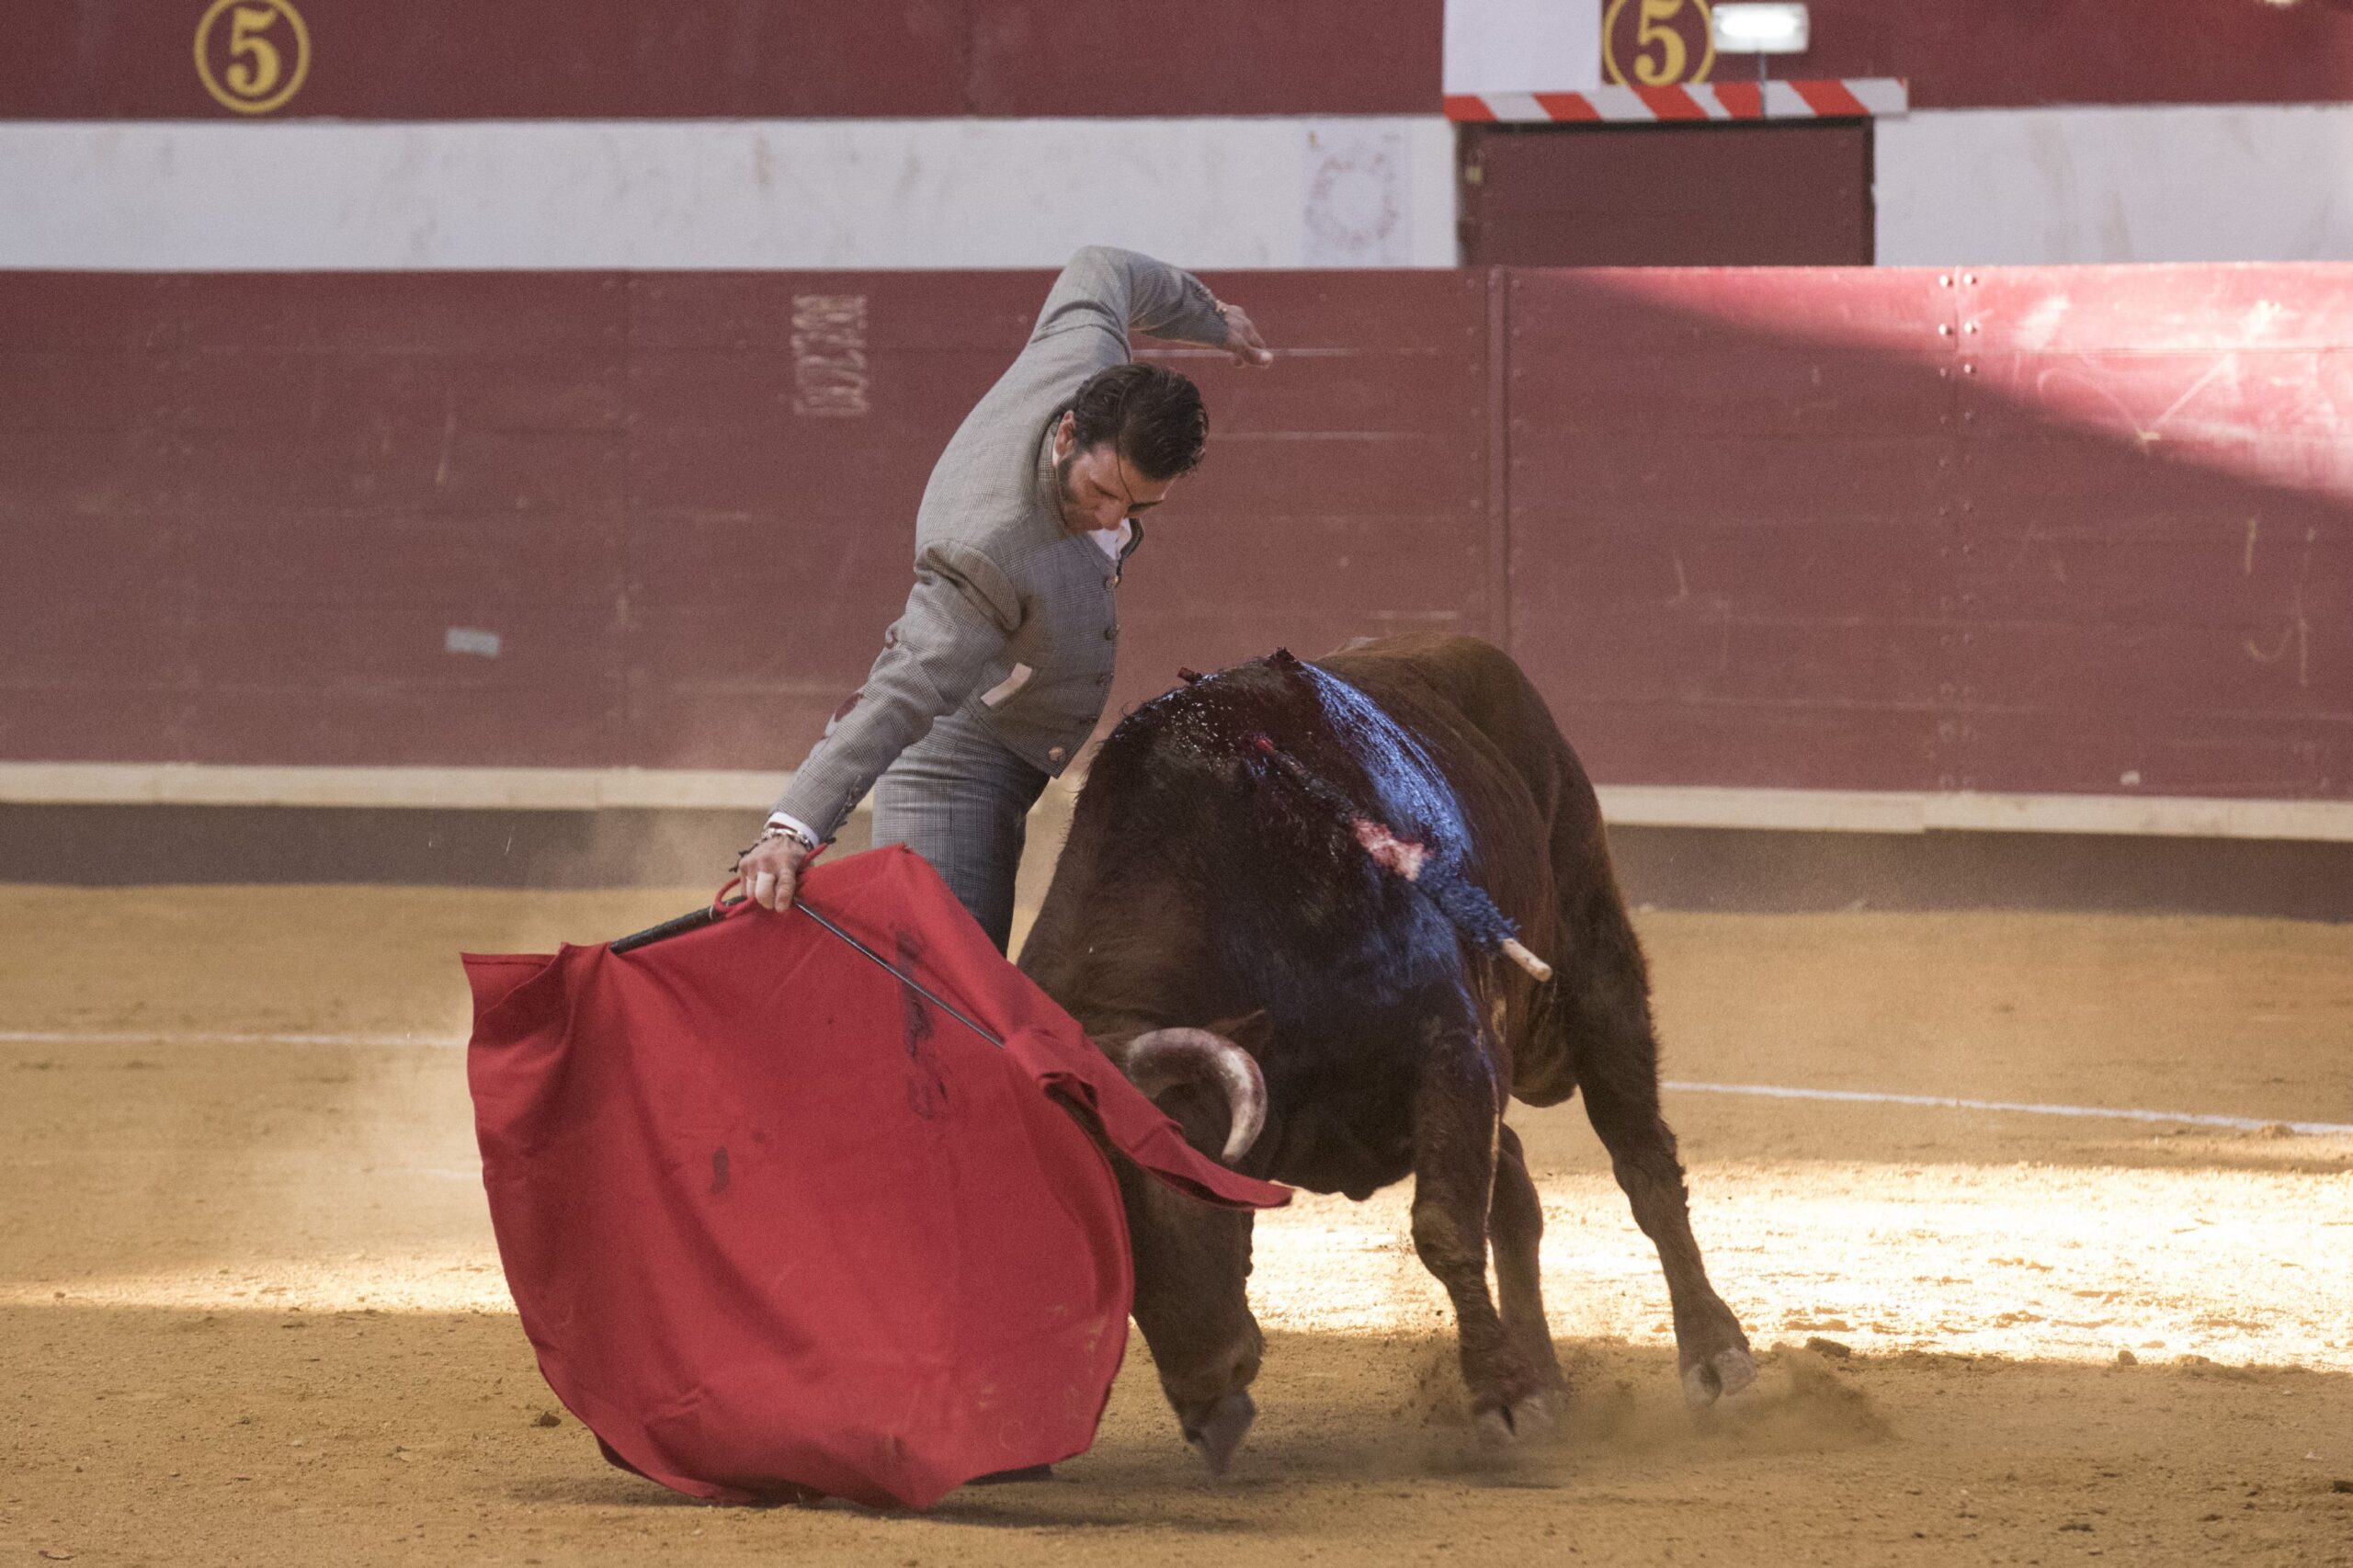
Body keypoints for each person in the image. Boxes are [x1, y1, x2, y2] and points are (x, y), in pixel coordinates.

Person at [735, 247, 1273, 951]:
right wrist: (790, 829)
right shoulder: (988, 546)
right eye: (1101, 493)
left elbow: (1103, 269)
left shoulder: (1084, 354)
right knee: (948, 994)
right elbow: (902, 691)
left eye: (1140, 506)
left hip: (1020, 725)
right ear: (1067, 434)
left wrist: (1209, 318)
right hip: (954, 763)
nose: (1111, 520)